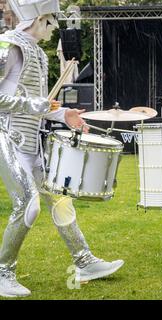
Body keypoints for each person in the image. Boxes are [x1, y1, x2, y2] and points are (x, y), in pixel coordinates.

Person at [0, 0, 123, 298]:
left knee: (61, 201)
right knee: (28, 205)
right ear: (39, 19)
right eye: (51, 19)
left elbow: (40, 106)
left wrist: (62, 114)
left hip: (32, 142)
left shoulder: (39, 54)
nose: (55, 26)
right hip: (6, 136)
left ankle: (84, 262)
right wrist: (36, 105)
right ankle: (3, 271)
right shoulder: (8, 45)